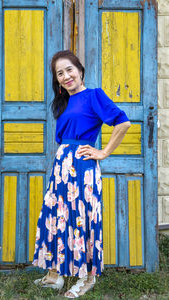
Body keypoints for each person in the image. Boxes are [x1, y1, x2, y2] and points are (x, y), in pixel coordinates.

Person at [32, 50, 131, 298]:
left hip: (82, 168)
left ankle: (87, 278)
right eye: (60, 73)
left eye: (69, 70)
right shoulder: (64, 101)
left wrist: (104, 152)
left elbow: (123, 122)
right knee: (56, 216)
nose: (66, 76)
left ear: (80, 70)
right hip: (61, 167)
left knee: (81, 219)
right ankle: (56, 273)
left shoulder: (93, 96)